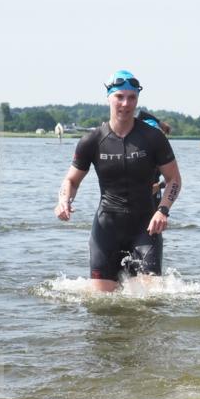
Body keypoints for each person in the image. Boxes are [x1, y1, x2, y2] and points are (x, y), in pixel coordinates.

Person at [54, 71, 182, 293]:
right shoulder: (92, 140)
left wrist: (163, 211)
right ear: (108, 98)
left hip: (145, 230)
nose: (126, 103)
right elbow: (71, 180)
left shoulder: (153, 138)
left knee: (148, 302)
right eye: (120, 97)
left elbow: (174, 179)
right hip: (106, 229)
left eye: (132, 97)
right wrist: (64, 200)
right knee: (102, 305)